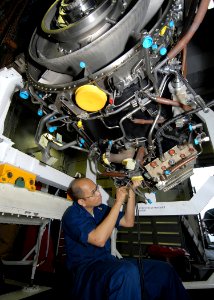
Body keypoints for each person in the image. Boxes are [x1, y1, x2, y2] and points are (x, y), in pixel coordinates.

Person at [62, 177, 190, 300]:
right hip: (86, 269)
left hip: (107, 261)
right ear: (82, 201)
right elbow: (98, 240)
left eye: (96, 188)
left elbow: (128, 221)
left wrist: (132, 194)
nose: (98, 193)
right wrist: (118, 202)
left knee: (163, 270)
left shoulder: (100, 209)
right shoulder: (72, 215)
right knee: (126, 272)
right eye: (93, 192)